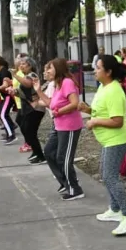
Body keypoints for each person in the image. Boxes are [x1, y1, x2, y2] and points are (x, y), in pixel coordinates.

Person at [78, 55, 126, 236]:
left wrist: (94, 121)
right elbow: (102, 111)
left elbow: (117, 121)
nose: (95, 71)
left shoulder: (114, 90)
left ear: (108, 72)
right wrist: (88, 110)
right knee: (106, 175)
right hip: (108, 141)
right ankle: (115, 209)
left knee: (110, 177)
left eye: (98, 68)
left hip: (116, 140)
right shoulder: (103, 87)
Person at [34, 59, 85, 200]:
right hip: (59, 126)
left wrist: (59, 112)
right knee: (49, 152)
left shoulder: (67, 82)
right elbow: (51, 104)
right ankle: (65, 182)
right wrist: (38, 91)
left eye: (49, 68)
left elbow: (75, 103)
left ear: (58, 69)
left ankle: (75, 189)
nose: (46, 72)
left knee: (64, 158)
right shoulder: (58, 84)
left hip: (69, 126)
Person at [13, 58, 46, 164]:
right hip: (28, 107)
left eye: (23, 64)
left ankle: (40, 155)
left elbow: (27, 84)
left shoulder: (32, 75)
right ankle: (36, 151)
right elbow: (24, 92)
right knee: (24, 127)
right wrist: (15, 92)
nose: (21, 66)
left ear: (30, 66)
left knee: (29, 131)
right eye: (20, 64)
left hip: (36, 108)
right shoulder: (25, 76)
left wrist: (15, 75)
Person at [0, 57, 18, 145]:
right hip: (3, 96)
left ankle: (11, 135)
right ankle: (9, 131)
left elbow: (5, 84)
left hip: (8, 96)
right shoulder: (0, 72)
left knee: (3, 115)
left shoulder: (4, 72)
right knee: (2, 114)